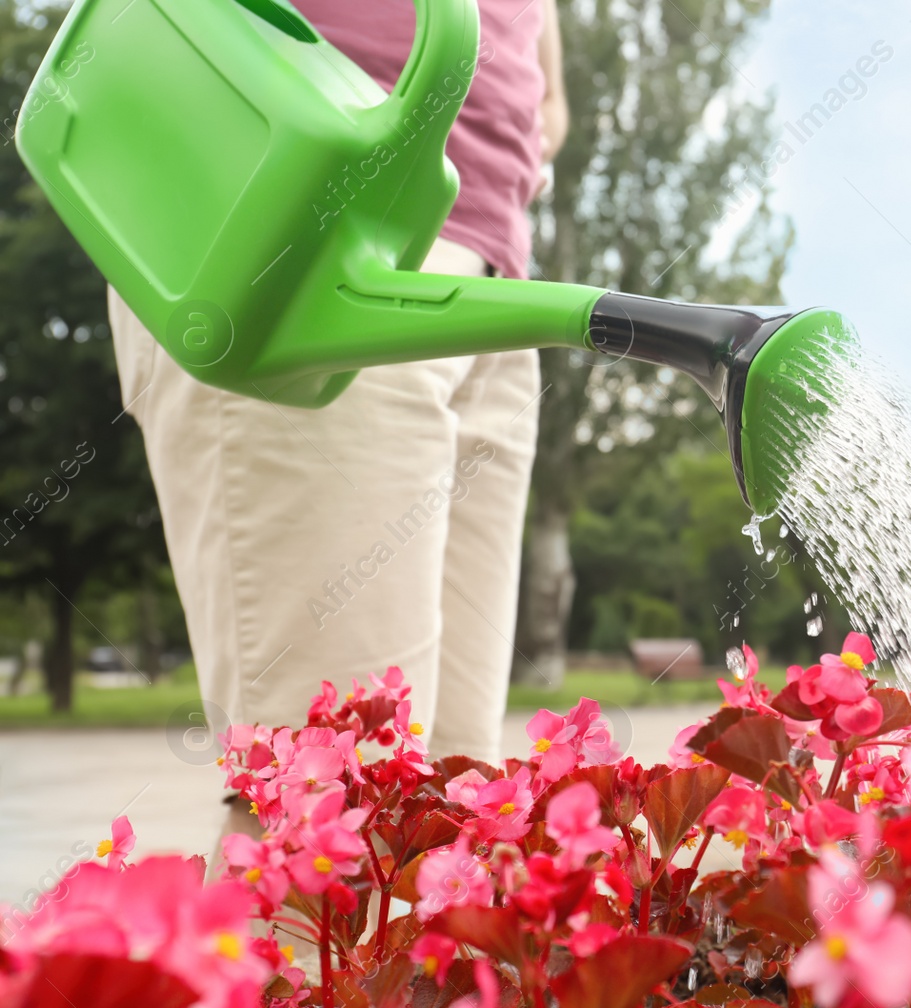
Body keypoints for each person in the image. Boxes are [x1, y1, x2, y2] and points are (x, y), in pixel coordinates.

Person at [106, 0, 568, 764]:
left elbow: (550, 90)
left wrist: (518, 134)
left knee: (458, 807)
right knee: (327, 800)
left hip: (490, 272)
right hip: (292, 227)